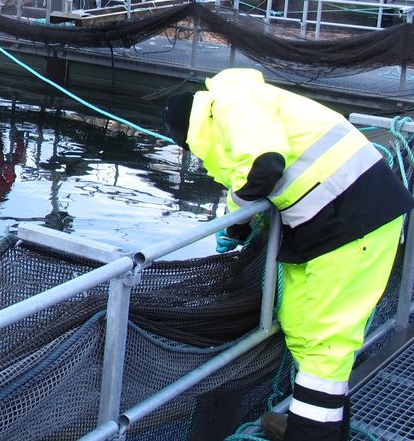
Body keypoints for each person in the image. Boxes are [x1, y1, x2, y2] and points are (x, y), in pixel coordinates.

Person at [160, 68, 411, 441]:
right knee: (300, 324)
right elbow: (252, 177)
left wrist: (239, 221)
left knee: (327, 341)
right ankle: (316, 423)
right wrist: (235, 225)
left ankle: (310, 435)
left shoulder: (233, 101)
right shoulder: (235, 110)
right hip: (326, 223)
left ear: (190, 133)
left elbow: (264, 165)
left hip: (355, 219)